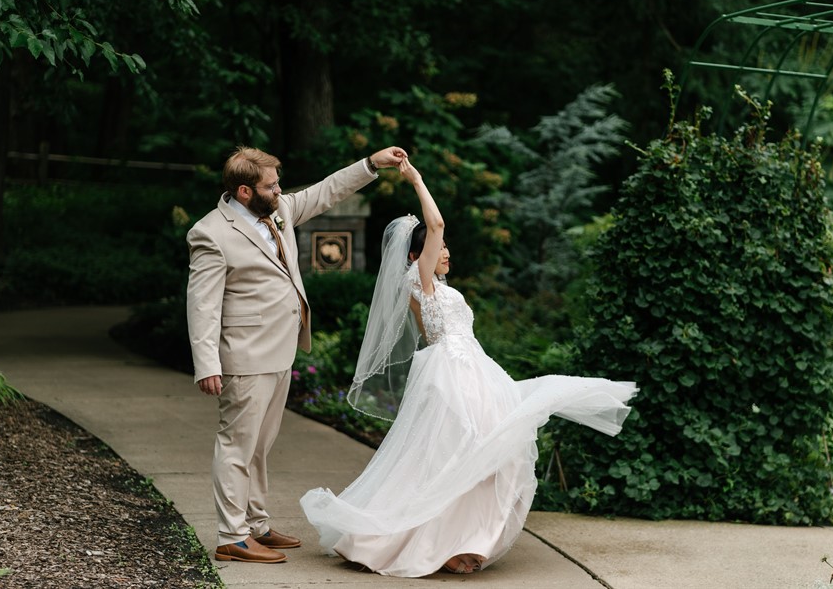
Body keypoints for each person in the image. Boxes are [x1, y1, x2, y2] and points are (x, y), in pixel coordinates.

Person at [300, 159, 638, 577]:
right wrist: (417, 180)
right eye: (437, 248)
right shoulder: (416, 281)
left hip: (474, 370)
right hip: (452, 375)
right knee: (462, 455)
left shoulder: (437, 287)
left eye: (443, 249)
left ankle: (464, 541)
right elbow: (436, 225)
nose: (445, 251)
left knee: (486, 456)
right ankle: (432, 542)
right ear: (416, 254)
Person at [187, 145, 407, 564]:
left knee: (260, 447)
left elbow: (326, 191)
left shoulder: (279, 211)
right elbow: (201, 306)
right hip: (244, 356)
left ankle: (256, 526)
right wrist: (207, 365)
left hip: (280, 350)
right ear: (244, 191)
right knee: (237, 445)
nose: (280, 189)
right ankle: (232, 537)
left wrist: (371, 164)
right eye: (271, 185)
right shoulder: (210, 232)